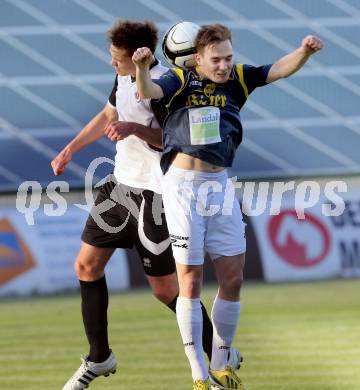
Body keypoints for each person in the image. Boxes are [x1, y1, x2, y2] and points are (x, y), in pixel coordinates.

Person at [51, 20, 241, 390]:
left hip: (155, 195)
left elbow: (173, 140)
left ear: (139, 56)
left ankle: (218, 357)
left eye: (117, 59)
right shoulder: (123, 78)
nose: (113, 64)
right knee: (86, 266)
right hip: (119, 189)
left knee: (166, 290)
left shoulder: (165, 86)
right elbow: (109, 114)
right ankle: (99, 357)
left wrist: (135, 129)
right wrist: (71, 149)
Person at [132, 24, 324, 389]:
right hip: (183, 187)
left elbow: (276, 69)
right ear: (198, 59)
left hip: (219, 185)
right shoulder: (179, 80)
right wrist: (141, 67)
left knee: (233, 278)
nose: (223, 66)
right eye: (215, 60)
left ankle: (221, 365)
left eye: (228, 58)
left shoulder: (237, 78)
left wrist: (305, 52)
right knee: (190, 281)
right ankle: (199, 376)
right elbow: (148, 90)